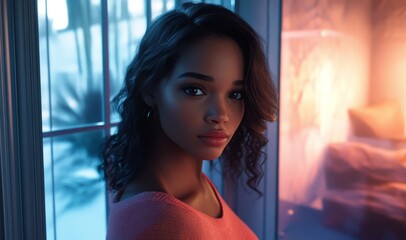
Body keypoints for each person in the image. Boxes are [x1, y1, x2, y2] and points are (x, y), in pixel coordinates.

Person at [100, 2, 278, 239]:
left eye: (235, 94)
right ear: (149, 89)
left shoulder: (187, 187)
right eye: (195, 90)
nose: (221, 115)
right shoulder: (167, 225)